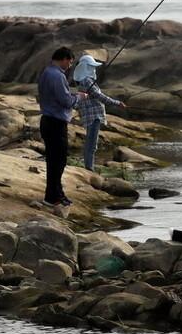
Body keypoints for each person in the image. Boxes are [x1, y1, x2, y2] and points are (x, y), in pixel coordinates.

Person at [37, 47, 84, 211]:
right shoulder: (57, 75)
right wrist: (79, 97)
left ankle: (56, 194)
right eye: (70, 62)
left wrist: (73, 95)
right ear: (63, 59)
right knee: (58, 161)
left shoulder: (47, 72)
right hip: (55, 123)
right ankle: (52, 197)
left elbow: (57, 95)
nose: (70, 65)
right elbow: (65, 101)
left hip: (48, 121)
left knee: (54, 161)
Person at [73, 54, 125, 172]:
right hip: (93, 116)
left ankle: (89, 167)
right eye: (91, 67)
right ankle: (89, 169)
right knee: (91, 144)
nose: (93, 69)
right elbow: (99, 96)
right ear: (85, 68)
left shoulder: (84, 81)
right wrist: (117, 103)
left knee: (91, 143)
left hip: (90, 116)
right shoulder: (86, 81)